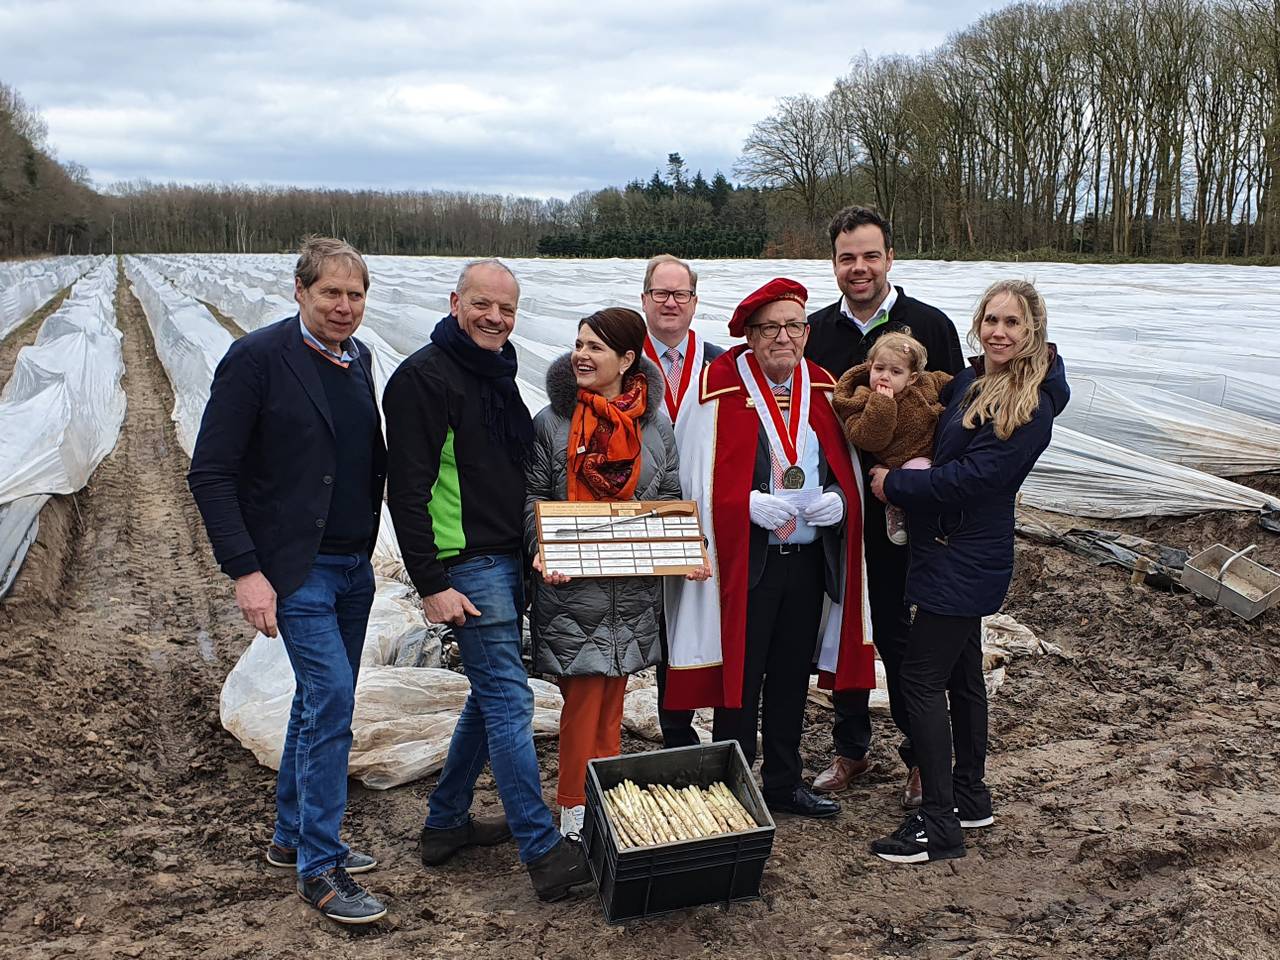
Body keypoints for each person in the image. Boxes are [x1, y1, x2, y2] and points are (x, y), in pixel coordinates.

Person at [188, 236, 388, 924]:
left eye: (354, 294)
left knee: (316, 703)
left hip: (351, 565)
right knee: (332, 700)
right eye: (330, 292)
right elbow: (210, 472)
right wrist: (247, 570)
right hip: (293, 567)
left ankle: (291, 836)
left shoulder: (358, 359)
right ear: (299, 291)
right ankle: (321, 868)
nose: (343, 306)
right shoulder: (257, 360)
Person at [382, 259, 591, 902]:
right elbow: (406, 491)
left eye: (505, 309)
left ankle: (444, 823)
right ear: (454, 302)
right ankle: (542, 849)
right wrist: (430, 581)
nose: (494, 317)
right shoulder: (423, 379)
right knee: (509, 700)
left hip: (504, 559)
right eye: (482, 304)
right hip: (465, 565)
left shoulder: (498, 374)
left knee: (489, 693)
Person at [868, 279, 1069, 864]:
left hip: (963, 555)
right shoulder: (975, 381)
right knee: (961, 675)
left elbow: (976, 479)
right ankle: (970, 796)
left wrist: (894, 483)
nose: (999, 332)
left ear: (1033, 330)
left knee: (920, 680)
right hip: (950, 550)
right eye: (991, 321)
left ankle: (938, 823)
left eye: (1012, 323)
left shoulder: (1029, 404)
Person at [664, 278, 874, 820]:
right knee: (739, 673)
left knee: (788, 677)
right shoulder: (717, 388)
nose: (784, 337)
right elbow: (694, 479)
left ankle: (784, 781)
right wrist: (741, 505)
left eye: (794, 326)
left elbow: (843, 469)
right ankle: (730, 782)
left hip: (805, 562)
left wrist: (840, 502)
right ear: (750, 334)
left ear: (807, 332)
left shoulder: (826, 387)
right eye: (771, 327)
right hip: (745, 564)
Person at [524, 307, 707, 836]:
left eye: (596, 347)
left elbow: (669, 496)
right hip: (572, 588)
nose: (582, 354)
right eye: (579, 343)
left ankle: (601, 799)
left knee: (613, 698)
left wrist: (686, 548)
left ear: (627, 360)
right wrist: (543, 548)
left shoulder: (656, 424)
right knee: (582, 700)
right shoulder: (552, 422)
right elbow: (535, 495)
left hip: (631, 589)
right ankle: (575, 813)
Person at [804, 205, 965, 806]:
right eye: (848, 258)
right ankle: (852, 747)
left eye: (871, 255)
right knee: (843, 624)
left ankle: (920, 754)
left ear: (890, 258)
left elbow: (959, 419)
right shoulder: (816, 332)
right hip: (837, 511)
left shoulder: (930, 325)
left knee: (902, 633)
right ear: (834, 264)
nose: (860, 267)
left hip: (906, 513)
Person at [637, 254, 724, 748]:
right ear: (644, 299)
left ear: (694, 302)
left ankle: (683, 728)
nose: (671, 303)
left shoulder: (717, 363)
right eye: (661, 294)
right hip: (637, 515)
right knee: (638, 623)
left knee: (689, 620)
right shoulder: (623, 360)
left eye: (681, 294)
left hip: (699, 518)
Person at [832, 331, 953, 545]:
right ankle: (897, 508)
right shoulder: (861, 399)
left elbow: (948, 383)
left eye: (896, 371)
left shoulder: (924, 383)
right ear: (869, 366)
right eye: (879, 368)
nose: (885, 376)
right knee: (918, 473)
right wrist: (882, 404)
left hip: (936, 449)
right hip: (902, 460)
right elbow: (868, 439)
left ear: (912, 377)